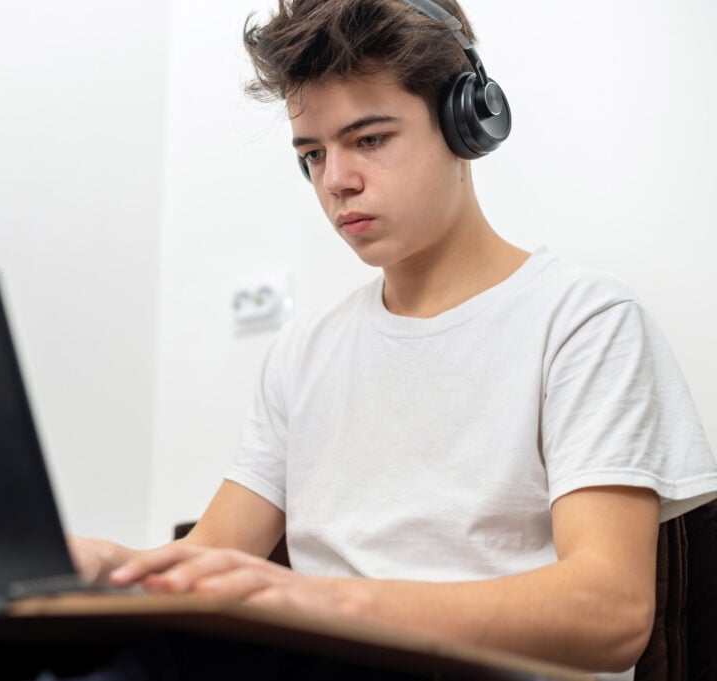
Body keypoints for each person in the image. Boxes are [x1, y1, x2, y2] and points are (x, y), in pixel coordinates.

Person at [70, 1, 717, 679]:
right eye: (312, 154)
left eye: (370, 139)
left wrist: (328, 602)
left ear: (467, 121)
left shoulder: (582, 319)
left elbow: (607, 612)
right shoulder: (305, 351)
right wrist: (106, 565)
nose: (335, 180)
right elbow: (207, 563)